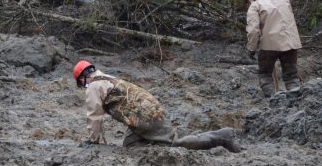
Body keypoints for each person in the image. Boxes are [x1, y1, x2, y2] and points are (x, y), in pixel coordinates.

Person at [73, 60, 241, 152]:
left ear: (82, 79)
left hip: (142, 117)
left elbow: (94, 116)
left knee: (175, 143)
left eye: (81, 84)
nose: (83, 87)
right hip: (143, 112)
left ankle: (221, 137)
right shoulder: (107, 78)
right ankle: (157, 146)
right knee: (131, 146)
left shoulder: (93, 86)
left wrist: (93, 141)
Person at [241, 0, 302, 96]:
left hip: (269, 46)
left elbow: (253, 30)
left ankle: (272, 102)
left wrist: (251, 49)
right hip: (291, 43)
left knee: (265, 74)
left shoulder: (255, 5)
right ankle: (295, 101)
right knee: (291, 75)